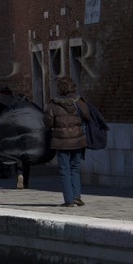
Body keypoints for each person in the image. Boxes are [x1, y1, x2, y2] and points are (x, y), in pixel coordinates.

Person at [45, 76, 90, 206]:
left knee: (64, 170)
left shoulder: (53, 104)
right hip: (78, 140)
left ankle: (69, 200)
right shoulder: (79, 102)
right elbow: (87, 116)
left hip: (61, 141)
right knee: (75, 168)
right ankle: (77, 196)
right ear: (72, 87)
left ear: (59, 88)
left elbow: (48, 122)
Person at [0, 86, 32, 188]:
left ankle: (2, 172)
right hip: (13, 133)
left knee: (1, 152)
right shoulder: (14, 105)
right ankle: (18, 173)